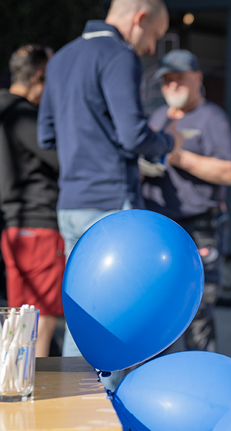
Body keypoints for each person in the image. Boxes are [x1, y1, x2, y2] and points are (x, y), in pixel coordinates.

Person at [37, 0, 182, 361]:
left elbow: (47, 136)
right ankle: (95, 411)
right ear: (140, 18)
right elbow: (134, 136)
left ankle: (77, 409)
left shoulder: (62, 59)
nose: (150, 48)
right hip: (109, 202)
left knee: (84, 318)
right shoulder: (118, 55)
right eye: (154, 36)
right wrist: (168, 142)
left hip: (71, 202)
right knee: (114, 323)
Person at [142, 49, 231, 353]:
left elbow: (230, 172)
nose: (171, 86)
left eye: (178, 80)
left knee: (197, 310)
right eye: (166, 81)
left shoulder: (212, 118)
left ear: (197, 78)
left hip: (200, 225)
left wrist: (181, 158)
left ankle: (201, 383)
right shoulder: (157, 118)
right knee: (157, 307)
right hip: (158, 225)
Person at [0, 44, 61, 357]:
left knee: (18, 320)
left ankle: (11, 389)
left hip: (13, 228)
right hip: (40, 227)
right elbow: (61, 159)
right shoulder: (23, 114)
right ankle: (34, 399)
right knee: (40, 322)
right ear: (39, 76)